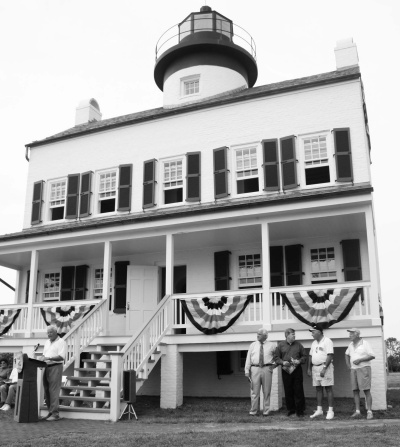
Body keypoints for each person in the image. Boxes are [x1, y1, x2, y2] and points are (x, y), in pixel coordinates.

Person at [274, 328, 307, 417]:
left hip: (297, 370)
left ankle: (300, 410)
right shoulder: (281, 345)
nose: (294, 336)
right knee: (288, 390)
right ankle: (291, 410)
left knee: (298, 389)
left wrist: (299, 361)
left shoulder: (299, 345)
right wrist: (282, 362)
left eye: (294, 334)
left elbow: (304, 356)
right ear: (287, 335)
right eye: (292, 334)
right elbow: (276, 357)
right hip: (286, 370)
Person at [244, 328, 277, 416]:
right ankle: (253, 411)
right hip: (255, 368)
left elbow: (277, 357)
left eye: (259, 334)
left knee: (267, 391)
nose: (257, 335)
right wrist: (247, 370)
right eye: (257, 334)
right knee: (254, 391)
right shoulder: (253, 345)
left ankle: (266, 411)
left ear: (265, 336)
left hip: (267, 368)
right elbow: (248, 358)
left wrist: (274, 365)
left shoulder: (272, 345)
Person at [345, 328, 375, 420]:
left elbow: (372, 355)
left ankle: (369, 411)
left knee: (366, 390)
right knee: (355, 390)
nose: (349, 336)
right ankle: (357, 411)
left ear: (357, 334)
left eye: (351, 334)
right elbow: (346, 354)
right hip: (354, 369)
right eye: (349, 334)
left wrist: (360, 360)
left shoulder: (365, 343)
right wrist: (348, 365)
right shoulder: (350, 345)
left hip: (364, 369)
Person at [38, 325, 67, 421]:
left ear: (56, 332)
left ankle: (55, 414)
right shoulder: (47, 342)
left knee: (53, 391)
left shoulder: (61, 342)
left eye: (51, 332)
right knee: (46, 390)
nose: (49, 334)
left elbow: (61, 357)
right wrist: (42, 359)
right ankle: (50, 412)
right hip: (46, 367)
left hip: (56, 367)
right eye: (48, 332)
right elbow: (45, 354)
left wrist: (49, 358)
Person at [307, 325, 334, 420]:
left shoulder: (327, 341)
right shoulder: (314, 343)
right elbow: (310, 356)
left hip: (324, 367)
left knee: (328, 388)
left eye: (313, 332)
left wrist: (324, 368)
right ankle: (319, 410)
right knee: (318, 389)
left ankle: (330, 411)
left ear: (319, 332)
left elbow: (330, 355)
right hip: (315, 368)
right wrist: (309, 368)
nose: (312, 334)